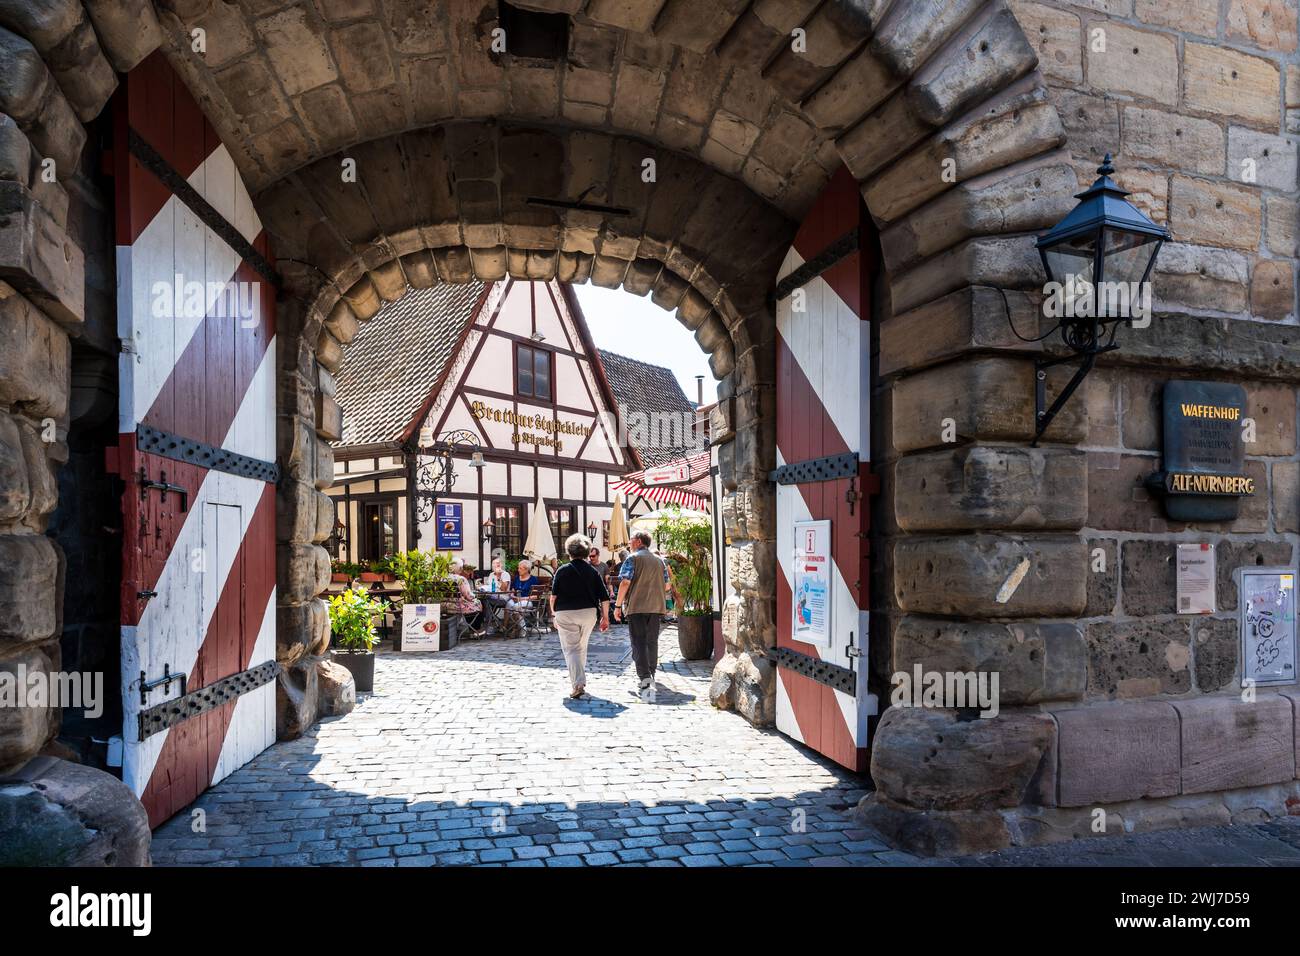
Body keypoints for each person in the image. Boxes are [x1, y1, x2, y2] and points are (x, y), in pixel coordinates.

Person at [548, 534, 610, 698]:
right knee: (581, 647)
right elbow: (604, 597)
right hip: (588, 613)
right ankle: (579, 679)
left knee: (571, 649)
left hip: (565, 613)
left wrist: (554, 614)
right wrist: (606, 618)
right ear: (587, 552)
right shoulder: (593, 571)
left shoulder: (562, 570)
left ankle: (578, 683)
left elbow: (553, 597)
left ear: (569, 552)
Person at [614, 531, 669, 702]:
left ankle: (645, 677)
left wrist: (617, 605)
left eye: (631, 540)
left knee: (638, 641)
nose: (629, 543)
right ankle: (650, 673)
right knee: (651, 641)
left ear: (638, 541)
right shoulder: (660, 561)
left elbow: (624, 582)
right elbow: (667, 586)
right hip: (656, 606)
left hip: (637, 606)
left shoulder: (633, 558)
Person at [446, 558, 485, 636]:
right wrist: (475, 596)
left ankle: (472, 630)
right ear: (460, 568)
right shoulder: (460, 579)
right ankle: (476, 630)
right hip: (458, 606)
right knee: (478, 603)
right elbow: (468, 596)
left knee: (470, 604)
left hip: (444, 606)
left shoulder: (442, 577)